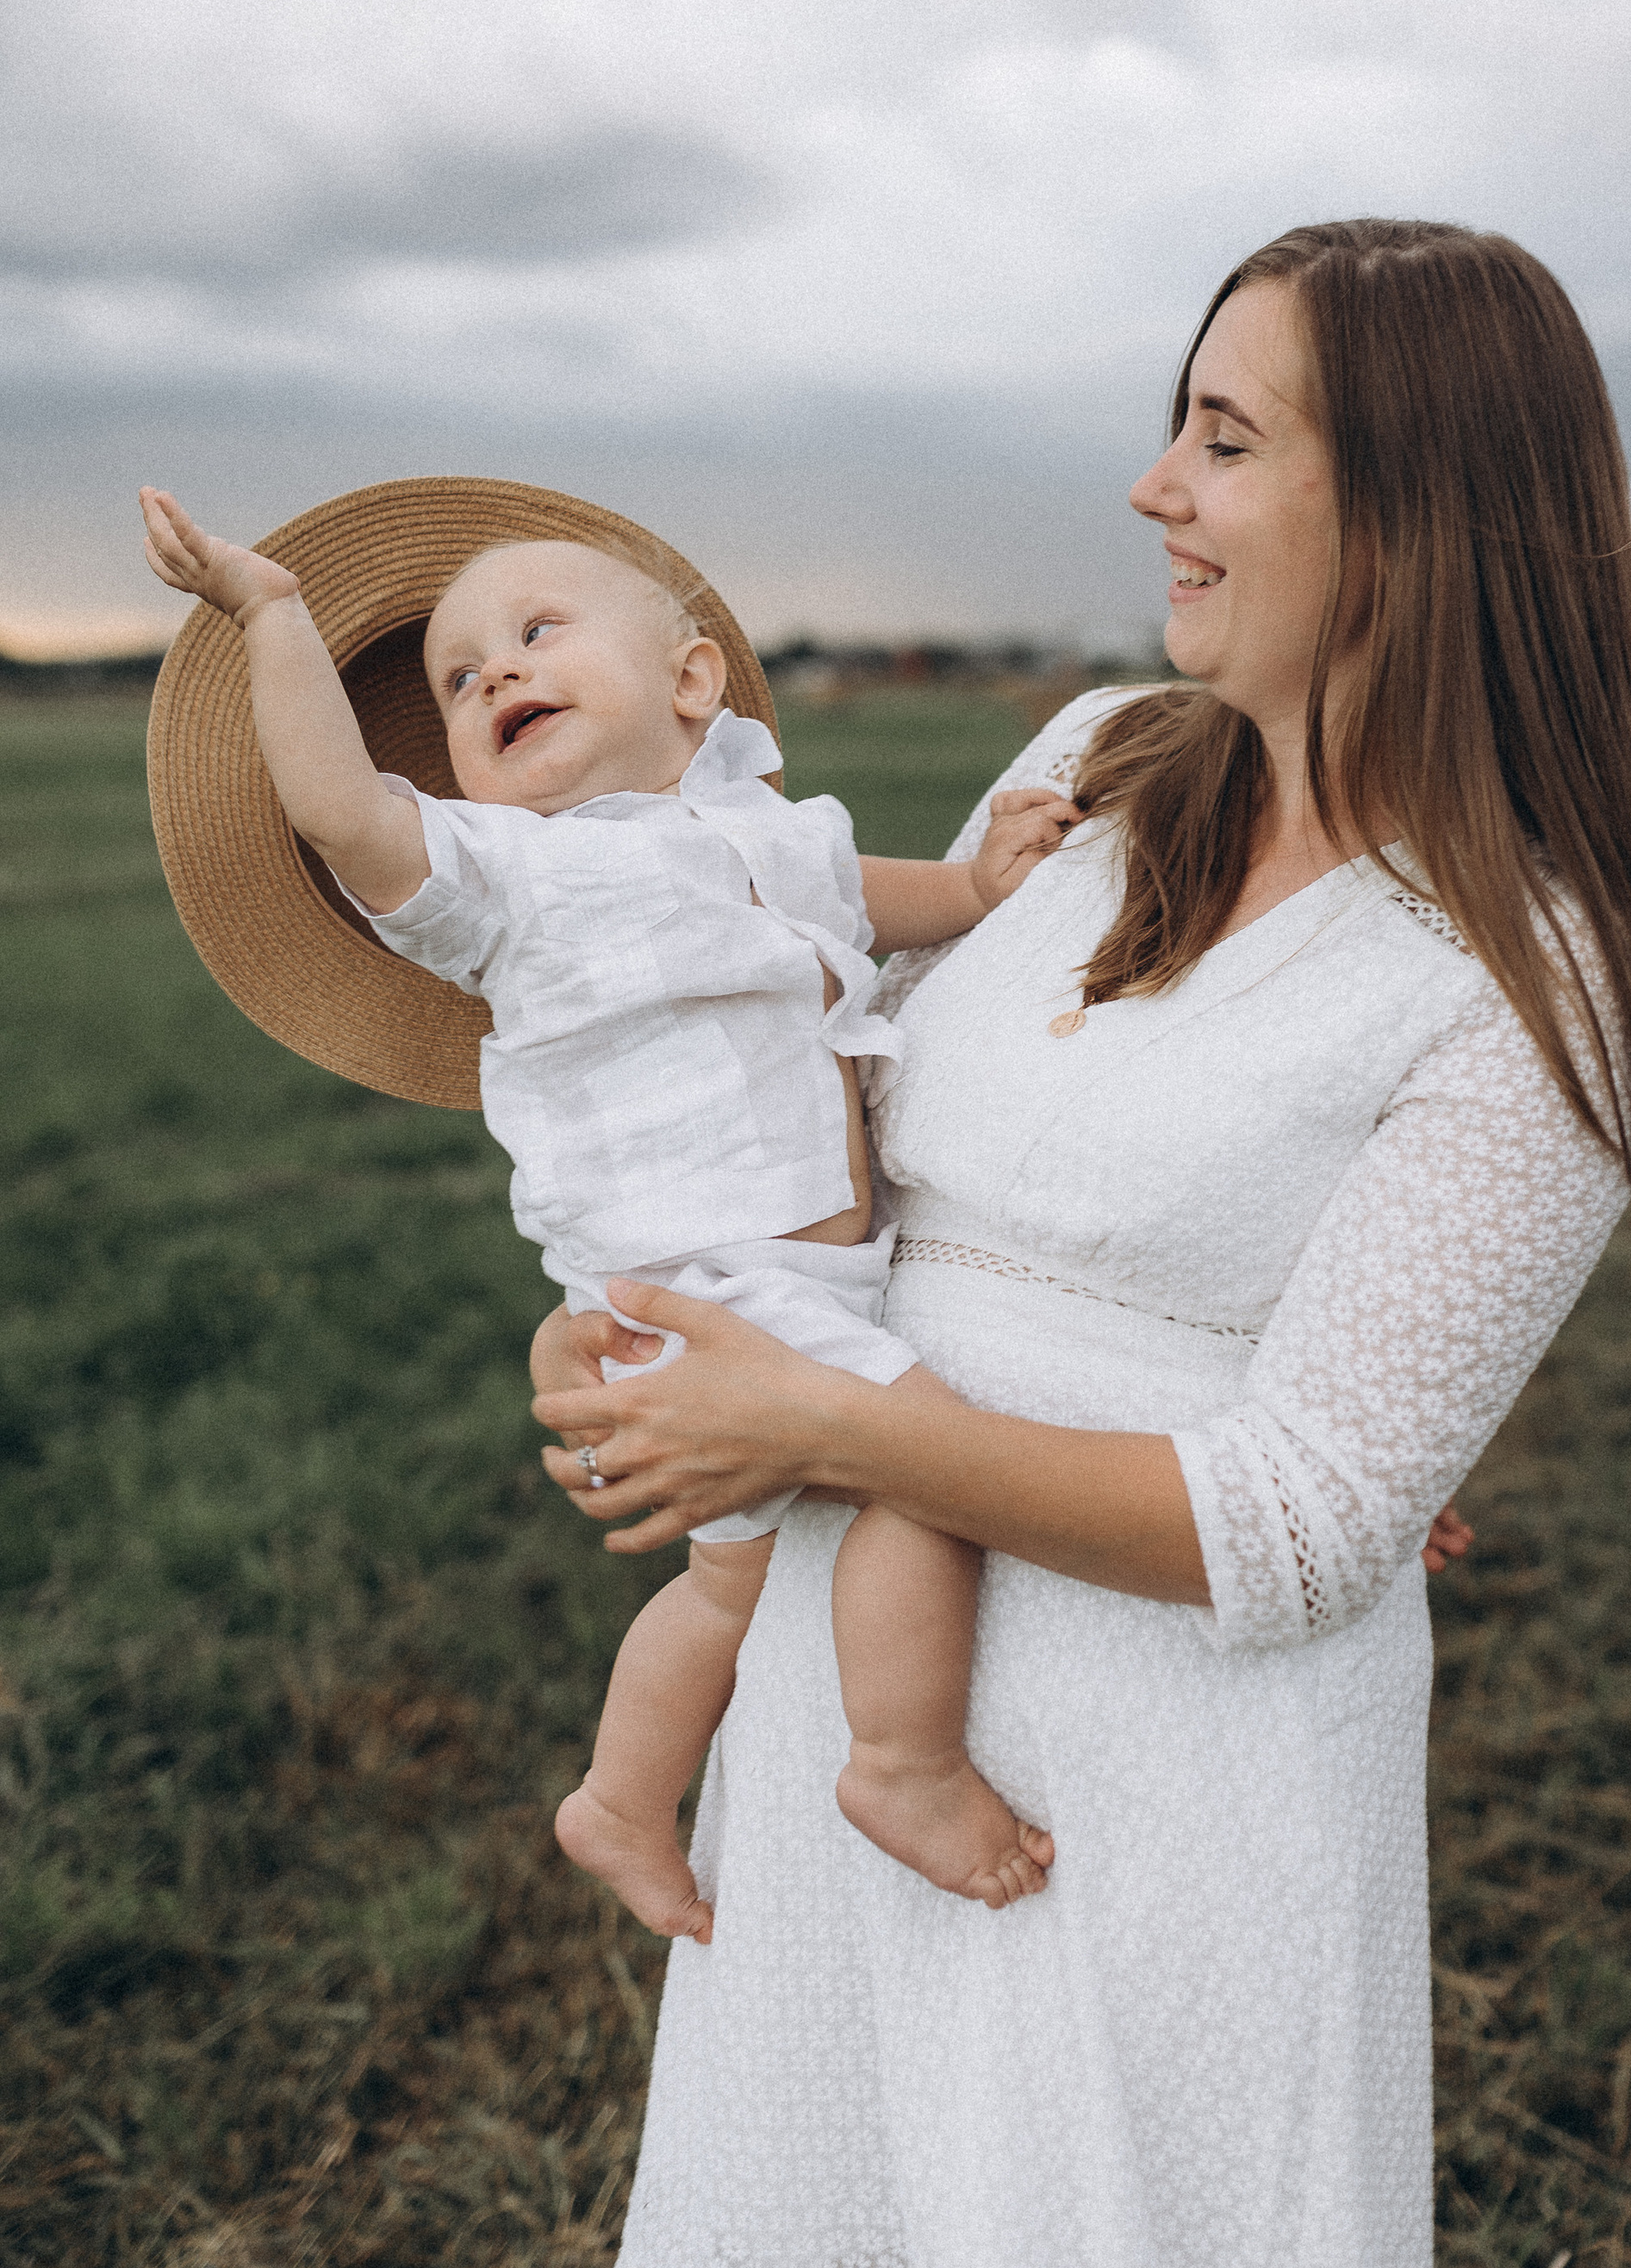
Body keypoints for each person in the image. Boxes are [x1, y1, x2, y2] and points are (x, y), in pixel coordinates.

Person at [531, 219, 1631, 2268]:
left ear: (1414, 506)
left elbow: (1307, 1517)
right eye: (1172, 424)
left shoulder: (1533, 971)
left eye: (1224, 437)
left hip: (1152, 1813)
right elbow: (823, 1126)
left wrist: (838, 1430)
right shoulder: (1088, 767)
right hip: (857, 1721)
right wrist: (657, 1334)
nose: (1150, 490)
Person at [138, 492, 1080, 1927]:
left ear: (691, 682)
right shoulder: (505, 879)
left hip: (799, 1282)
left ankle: (620, 1800)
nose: (495, 675)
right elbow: (340, 808)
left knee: (731, 1588)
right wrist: (273, 617)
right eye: (461, 681)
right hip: (691, 1289)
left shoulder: (765, 826)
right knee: (926, 1480)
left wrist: (972, 885)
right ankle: (903, 1761)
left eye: (535, 633)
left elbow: (864, 898)